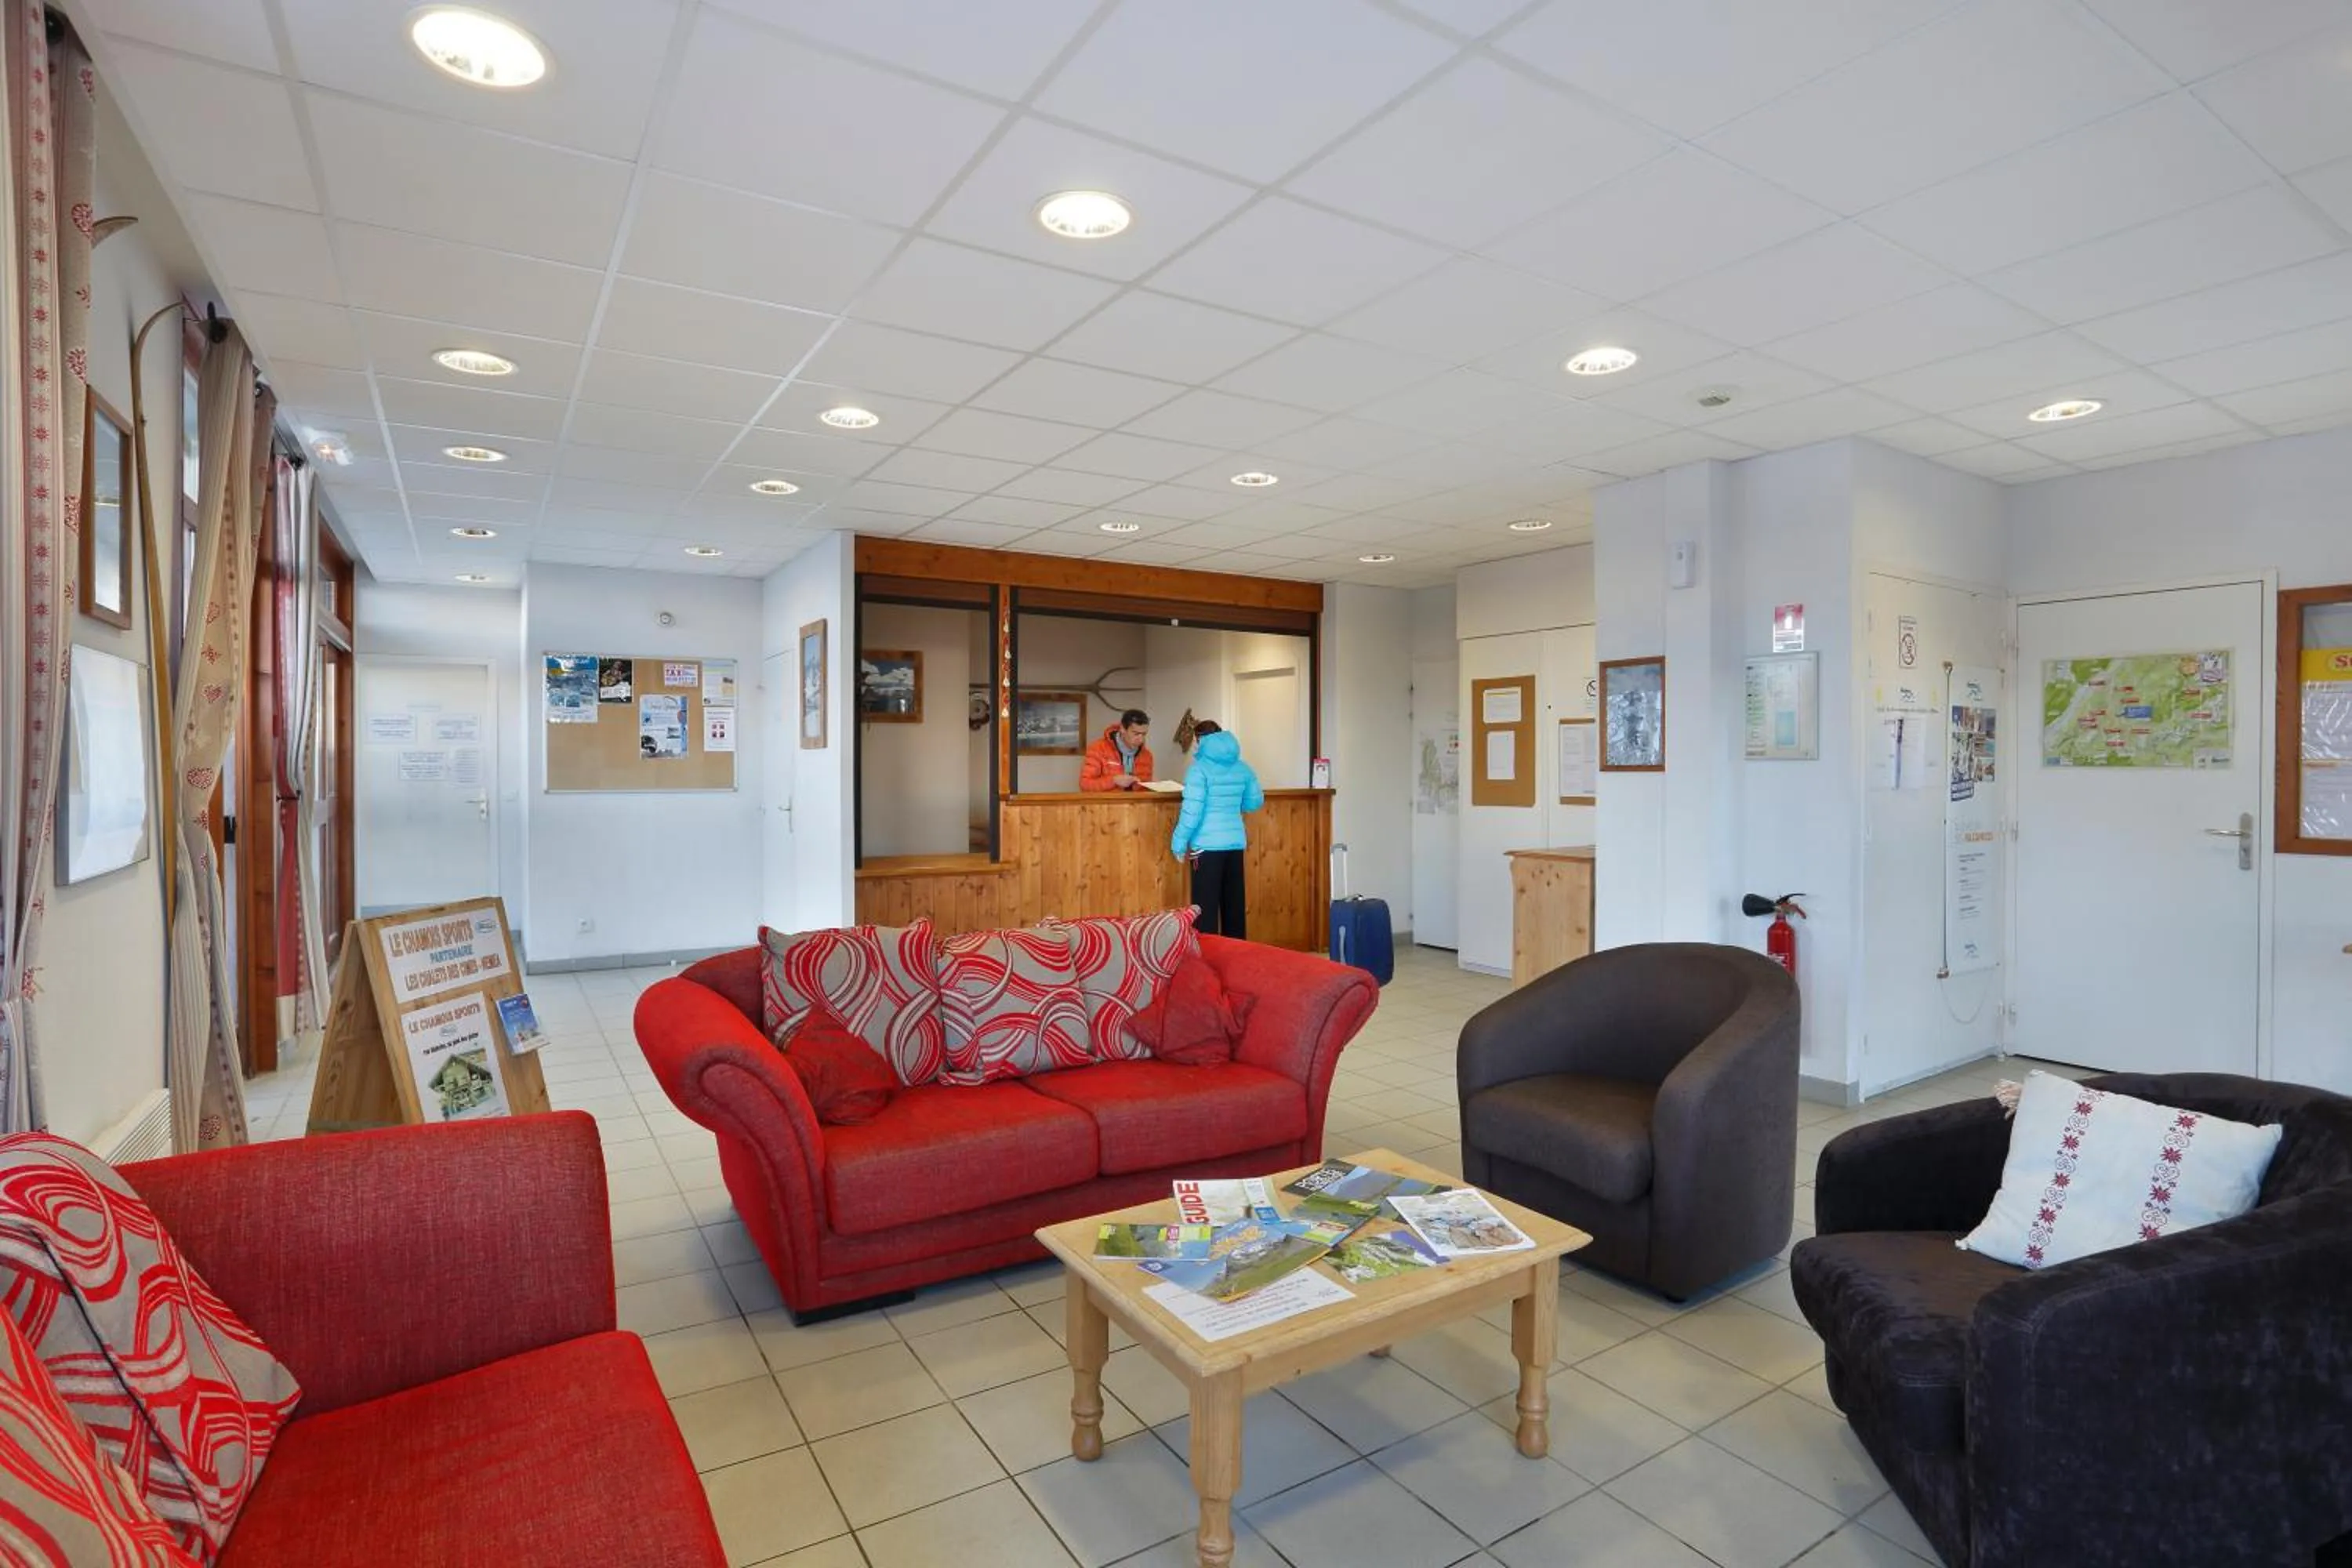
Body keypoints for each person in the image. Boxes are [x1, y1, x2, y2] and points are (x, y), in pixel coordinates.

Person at [1171, 721, 1263, 939]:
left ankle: (1209, 961)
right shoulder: (1243, 767)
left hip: (1205, 846)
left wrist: (1178, 843)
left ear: (1200, 741)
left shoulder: (1198, 769)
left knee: (1205, 910)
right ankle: (1236, 960)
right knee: (1234, 908)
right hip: (1234, 843)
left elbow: (1192, 811)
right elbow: (1254, 803)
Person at [1080, 709, 1154, 791]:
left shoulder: (1147, 755)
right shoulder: (1098, 749)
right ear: (1122, 729)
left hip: (1135, 804)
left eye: (1144, 734)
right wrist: (1114, 781)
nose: (1141, 740)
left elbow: (1144, 790)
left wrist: (1153, 788)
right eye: (1136, 734)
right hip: (1107, 803)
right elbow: (1085, 785)